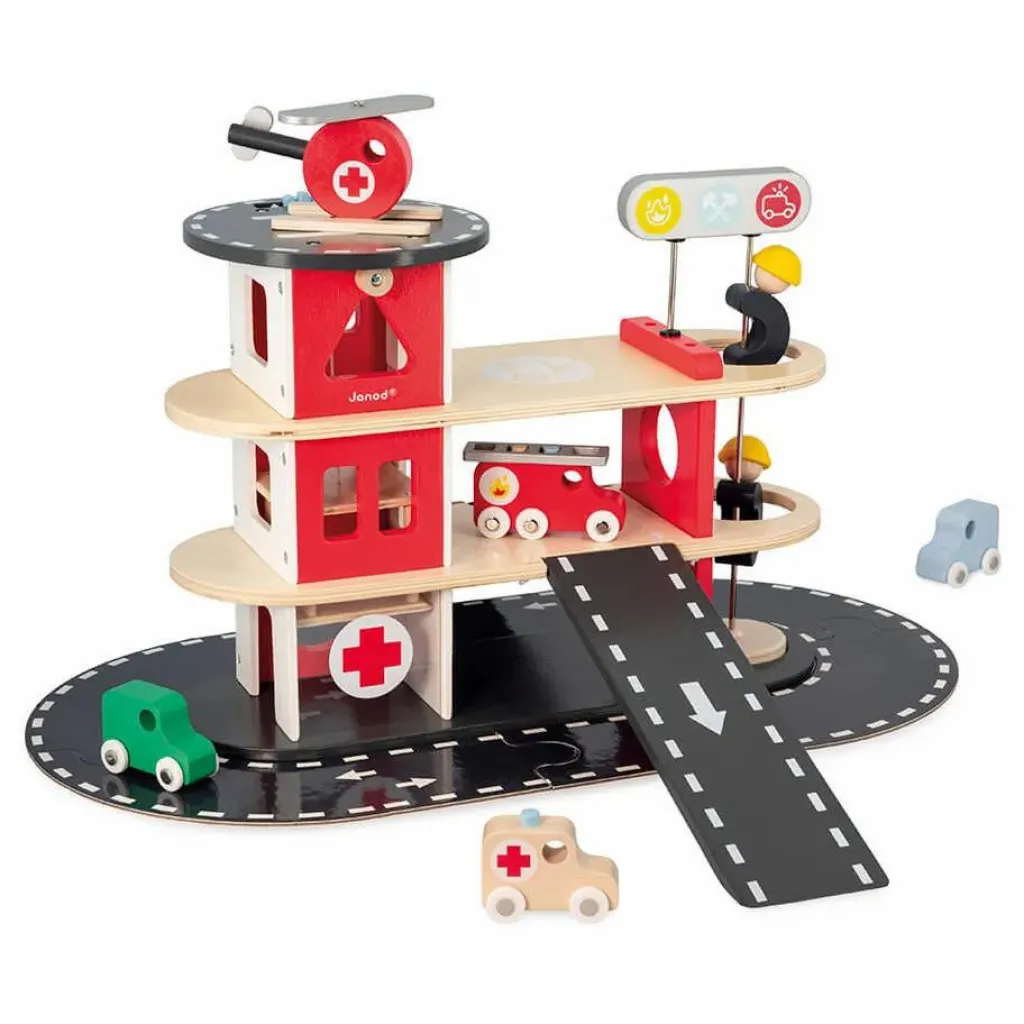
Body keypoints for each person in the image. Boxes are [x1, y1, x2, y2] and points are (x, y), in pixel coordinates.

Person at [723, 245, 802, 366]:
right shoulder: (757, 298)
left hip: (767, 353)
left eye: (774, 276)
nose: (771, 278)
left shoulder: (764, 304)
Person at [715, 436, 771, 567]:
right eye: (730, 460)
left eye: (750, 462)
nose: (734, 464)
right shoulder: (725, 488)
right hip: (727, 539)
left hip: (746, 541)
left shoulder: (752, 491)